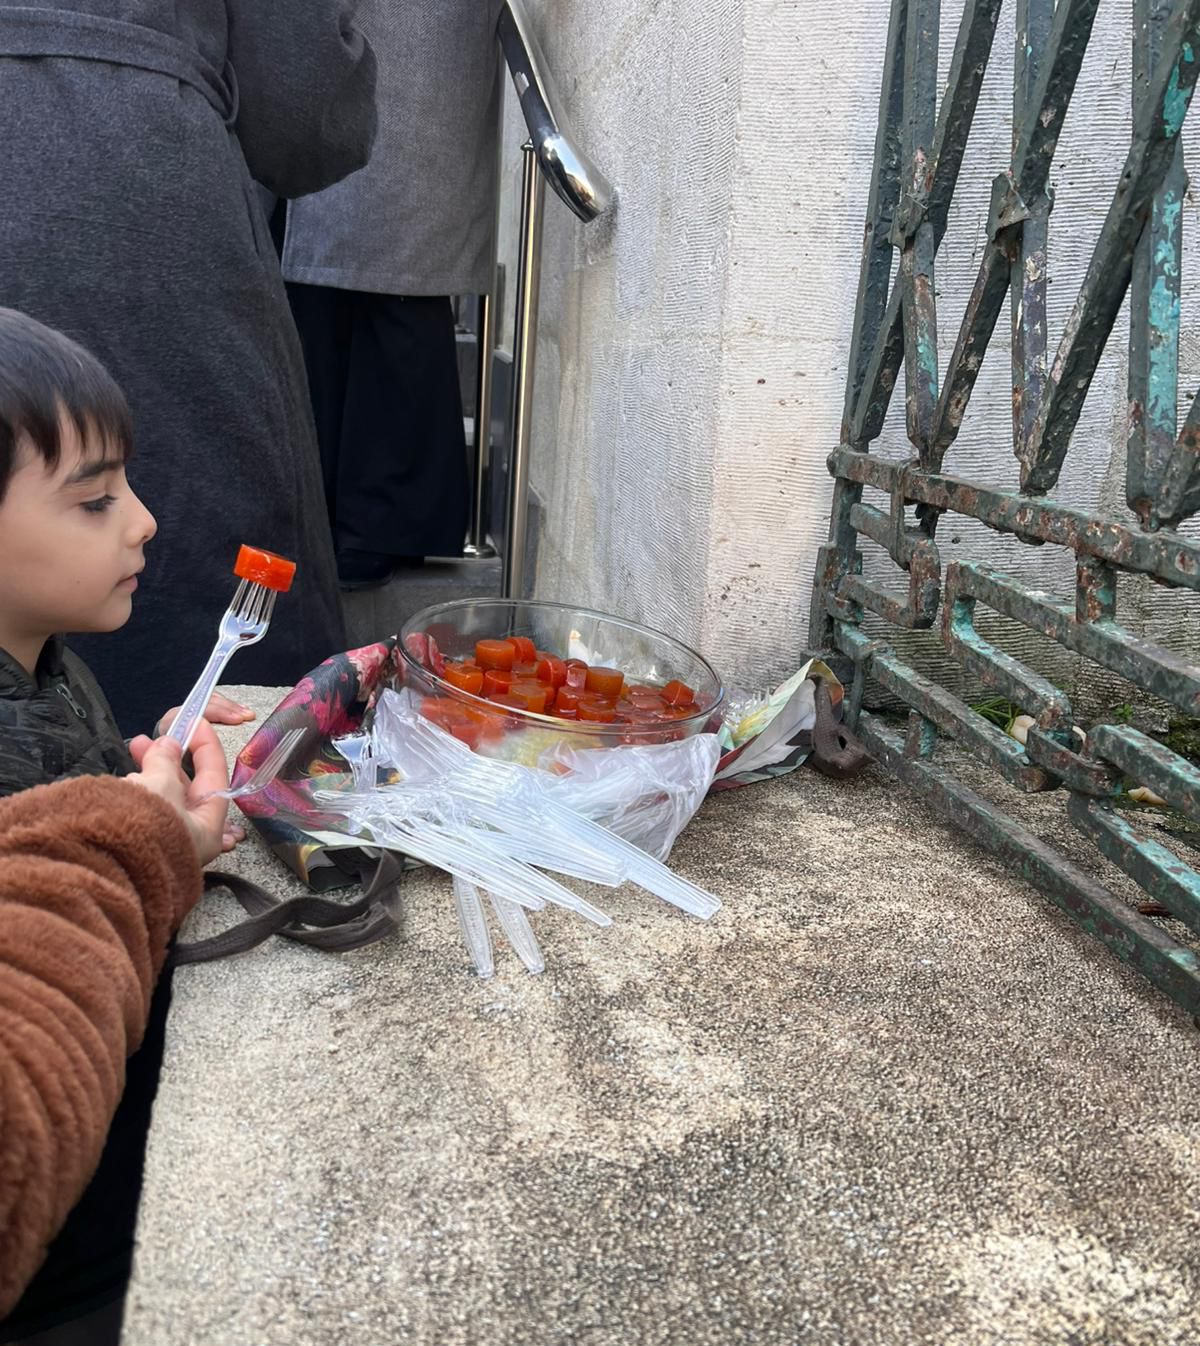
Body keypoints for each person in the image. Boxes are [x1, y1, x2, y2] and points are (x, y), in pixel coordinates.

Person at [0, 0, 379, 734]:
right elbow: (305, 113)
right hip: (137, 191)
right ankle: (182, 822)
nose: (139, 521)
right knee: (197, 650)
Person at [0, 308, 247, 1344]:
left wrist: (153, 785)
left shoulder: (45, 661)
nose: (142, 520)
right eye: (95, 499)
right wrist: (150, 845)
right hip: (58, 1248)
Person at [0, 731, 231, 1330]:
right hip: (58, 1287)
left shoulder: (59, 673)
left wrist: (158, 791)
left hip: (111, 1204)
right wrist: (136, 841)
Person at [280, 0, 504, 589]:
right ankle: (347, 527)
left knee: (391, 284)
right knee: (345, 294)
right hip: (350, 66)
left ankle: (363, 530)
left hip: (406, 66)